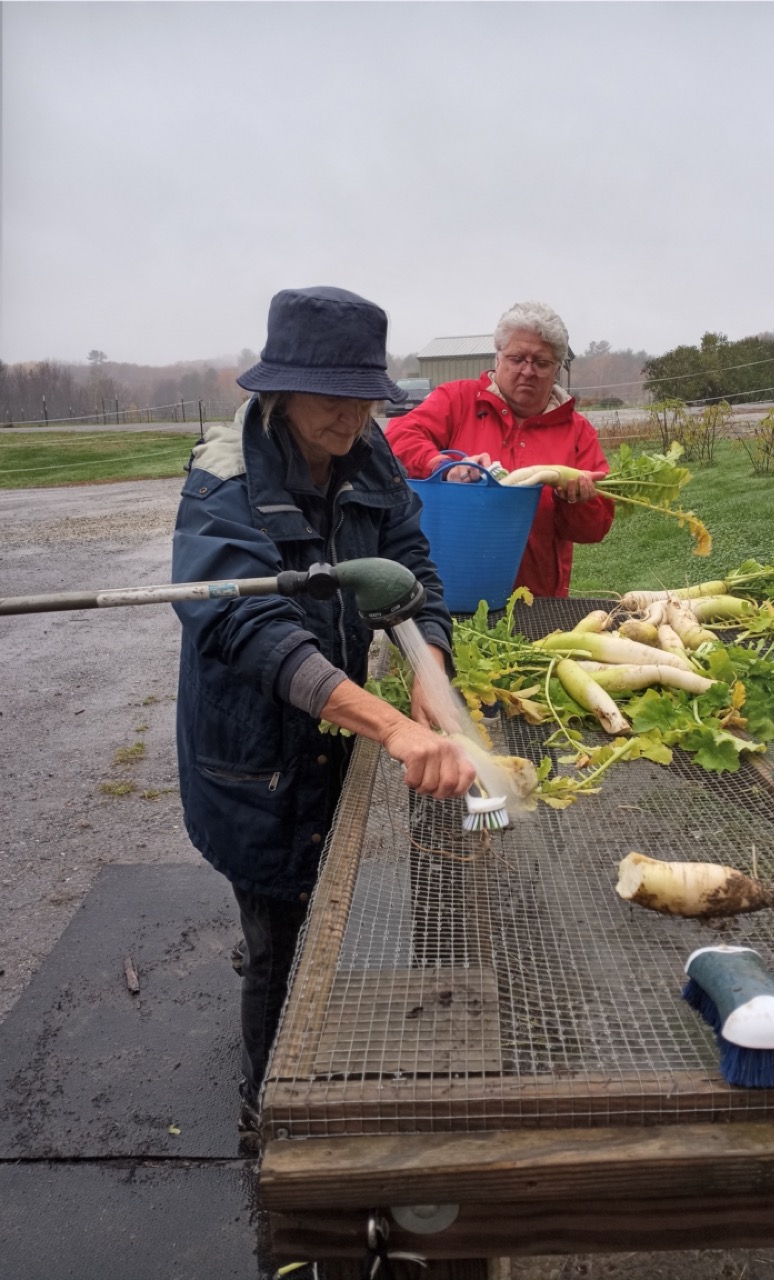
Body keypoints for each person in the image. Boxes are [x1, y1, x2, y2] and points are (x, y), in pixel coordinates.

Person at [171, 286, 475, 1140]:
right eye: (332, 399)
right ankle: (266, 1114)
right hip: (254, 748)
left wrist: (429, 664)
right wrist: (392, 726)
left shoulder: (369, 456)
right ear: (280, 392)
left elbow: (412, 567)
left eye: (365, 398)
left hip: (331, 723)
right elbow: (251, 627)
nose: (352, 418)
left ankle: (287, 978)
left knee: (310, 900)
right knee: (276, 926)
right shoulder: (223, 481)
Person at [385, 300, 615, 598]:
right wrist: (443, 466)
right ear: (498, 356)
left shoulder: (577, 430)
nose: (528, 371)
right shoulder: (458, 400)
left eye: (541, 362)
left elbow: (594, 530)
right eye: (517, 358)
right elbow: (399, 435)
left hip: (538, 600)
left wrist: (576, 500)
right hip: (450, 592)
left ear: (557, 368)